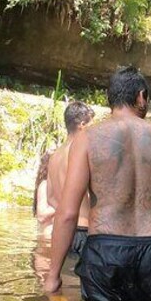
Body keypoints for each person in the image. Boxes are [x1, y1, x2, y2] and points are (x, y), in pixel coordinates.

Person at [44, 65, 151, 301]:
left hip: (107, 250)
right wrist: (148, 187)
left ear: (110, 99)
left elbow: (68, 213)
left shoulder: (88, 138)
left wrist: (53, 274)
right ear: (141, 96)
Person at [47, 101, 95, 256]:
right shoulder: (80, 153)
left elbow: (50, 198)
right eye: (91, 125)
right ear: (82, 125)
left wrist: (65, 211)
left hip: (62, 231)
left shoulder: (54, 156)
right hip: (84, 231)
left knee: (67, 278)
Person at [33, 150, 55, 238]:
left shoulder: (55, 185)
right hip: (46, 240)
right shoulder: (45, 185)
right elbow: (41, 216)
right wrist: (64, 205)